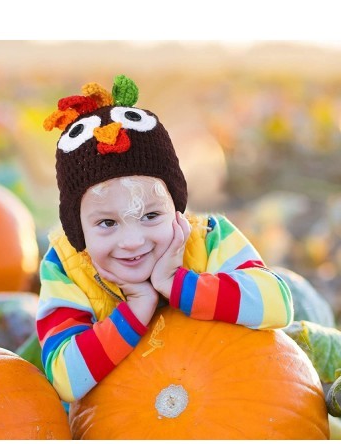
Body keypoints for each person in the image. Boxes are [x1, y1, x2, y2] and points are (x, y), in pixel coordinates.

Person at [37, 74, 293, 403]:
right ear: (78, 229)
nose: (132, 240)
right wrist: (136, 307)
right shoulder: (65, 266)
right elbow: (64, 379)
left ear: (176, 208)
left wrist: (176, 283)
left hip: (222, 398)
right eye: (106, 222)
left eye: (151, 216)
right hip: (123, 420)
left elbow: (277, 304)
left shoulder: (209, 237)